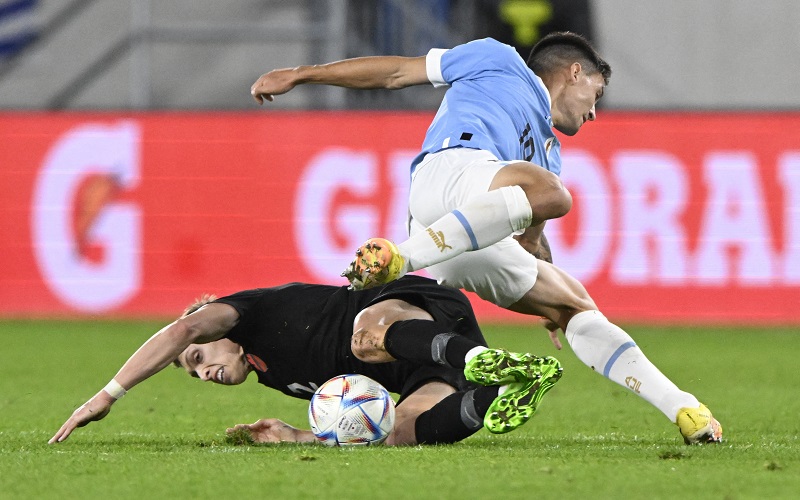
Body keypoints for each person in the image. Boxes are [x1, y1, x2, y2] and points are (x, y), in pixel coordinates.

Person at [250, 32, 722, 444]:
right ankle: (401, 256)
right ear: (577, 72)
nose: (595, 113)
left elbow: (531, 240)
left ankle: (684, 408)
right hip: (448, 174)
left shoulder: (548, 153)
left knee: (576, 305)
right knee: (552, 193)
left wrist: (545, 294)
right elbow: (396, 73)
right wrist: (301, 73)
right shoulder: (497, 59)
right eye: (597, 93)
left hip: (457, 245)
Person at [49, 276, 563, 446]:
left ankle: (483, 360)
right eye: (194, 372)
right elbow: (352, 415)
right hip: (423, 368)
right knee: (393, 433)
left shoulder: (243, 311)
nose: (203, 371)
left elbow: (181, 329)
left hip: (416, 308)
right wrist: (297, 436)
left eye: (199, 357)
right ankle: (510, 387)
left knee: (365, 338)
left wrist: (107, 396)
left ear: (216, 329)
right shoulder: (274, 378)